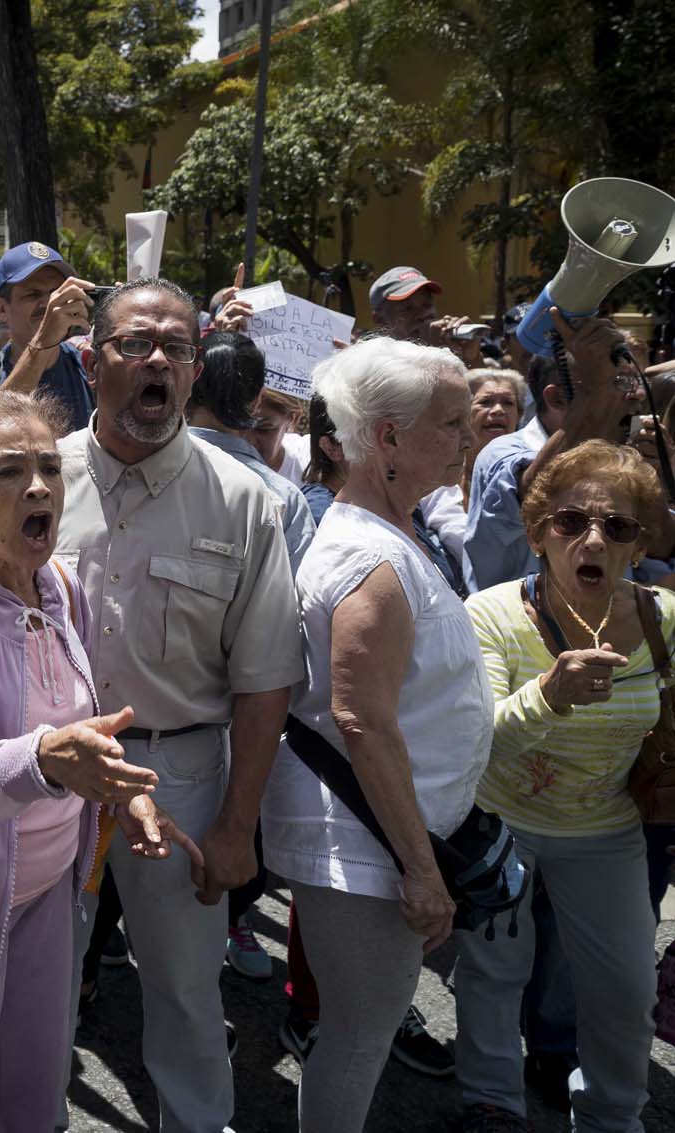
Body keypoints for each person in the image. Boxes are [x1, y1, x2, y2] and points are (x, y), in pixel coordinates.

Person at [0, 388, 202, 1130]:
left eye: (51, 470)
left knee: (30, 1100)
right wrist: (49, 760)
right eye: (8, 471)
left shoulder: (58, 583)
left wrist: (119, 788)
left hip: (50, 894)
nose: (38, 488)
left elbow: (78, 719)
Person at [53, 276, 304, 1132]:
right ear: (92, 362)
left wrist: (237, 826)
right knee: (35, 981)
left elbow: (266, 680)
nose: (158, 359)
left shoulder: (249, 504)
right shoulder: (30, 482)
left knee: (188, 996)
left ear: (198, 371)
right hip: (48, 776)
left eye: (178, 347)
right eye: (135, 343)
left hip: (186, 776)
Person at [261, 336, 492, 1131]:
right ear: (387, 438)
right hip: (368, 847)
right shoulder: (371, 558)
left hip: (372, 840)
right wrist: (423, 870)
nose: (470, 437)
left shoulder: (387, 534)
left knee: (358, 1035)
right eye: (453, 422)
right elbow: (362, 720)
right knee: (359, 1040)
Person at [455, 440, 663, 1132]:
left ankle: (614, 1114)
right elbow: (476, 739)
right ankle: (492, 1102)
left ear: (639, 545)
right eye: (572, 521)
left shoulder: (664, 621)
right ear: (539, 532)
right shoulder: (489, 613)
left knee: (625, 987)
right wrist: (548, 694)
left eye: (619, 526)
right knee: (494, 972)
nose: (594, 537)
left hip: (606, 829)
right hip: (500, 819)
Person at [466, 314, 647, 591]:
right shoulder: (503, 452)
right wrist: (591, 401)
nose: (634, 395)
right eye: (618, 383)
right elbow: (528, 495)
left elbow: (662, 540)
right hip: (517, 632)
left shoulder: (620, 456)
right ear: (558, 398)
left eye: (632, 382)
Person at [190, 331, 315, 568]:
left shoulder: (138, 463)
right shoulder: (283, 498)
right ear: (258, 400)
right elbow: (295, 596)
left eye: (267, 429)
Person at [0, 243, 96, 433]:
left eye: (57, 292)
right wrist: (43, 342)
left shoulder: (85, 364)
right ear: (2, 308)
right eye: (33, 294)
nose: (49, 303)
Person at [462, 368, 527, 509]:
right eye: (486, 402)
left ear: (520, 414)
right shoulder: (442, 475)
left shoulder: (531, 471)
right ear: (463, 412)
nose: (498, 410)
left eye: (508, 403)